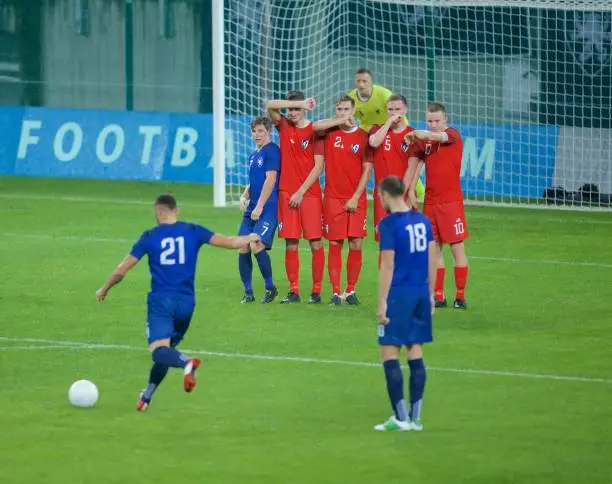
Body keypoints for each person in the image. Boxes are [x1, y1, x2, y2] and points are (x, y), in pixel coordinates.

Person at [95, 194, 259, 411]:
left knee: (158, 350)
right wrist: (250, 237)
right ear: (176, 211)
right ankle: (146, 397)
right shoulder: (192, 230)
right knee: (166, 350)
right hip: (186, 304)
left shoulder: (150, 236)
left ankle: (187, 363)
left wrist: (104, 289)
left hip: (161, 303)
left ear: (157, 212)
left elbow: (122, 270)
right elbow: (229, 241)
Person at [267, 91, 353, 303]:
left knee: (315, 242)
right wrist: (298, 102)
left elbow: (319, 166)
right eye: (291, 109)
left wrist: (301, 191)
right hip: (287, 193)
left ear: (305, 109)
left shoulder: (316, 131)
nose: (293, 112)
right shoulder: (284, 126)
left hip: (310, 194)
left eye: (297, 109)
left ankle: (316, 291)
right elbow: (270, 104)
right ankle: (294, 290)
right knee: (291, 243)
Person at [375, 176, 436, 432]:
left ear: (387, 195)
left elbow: (387, 265)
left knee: (389, 353)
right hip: (421, 292)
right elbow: (434, 259)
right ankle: (417, 417)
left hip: (399, 295)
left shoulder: (388, 224)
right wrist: (431, 293)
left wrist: (381, 301)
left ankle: (401, 418)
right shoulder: (424, 221)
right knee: (415, 351)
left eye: (380, 197)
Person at [405, 102, 469, 309]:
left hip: (451, 204)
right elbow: (417, 166)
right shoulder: (426, 142)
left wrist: (417, 133)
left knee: (457, 248)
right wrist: (412, 189)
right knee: (434, 250)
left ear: (445, 120)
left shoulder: (452, 135)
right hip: (431, 203)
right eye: (430, 121)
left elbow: (436, 136)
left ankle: (460, 296)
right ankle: (438, 295)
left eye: (437, 121)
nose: (433, 125)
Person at [321, 95, 372, 305]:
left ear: (353, 111)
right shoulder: (329, 133)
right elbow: (314, 127)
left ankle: (350, 290)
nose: (342, 113)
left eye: (346, 109)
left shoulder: (364, 136)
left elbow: (367, 170)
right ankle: (335, 292)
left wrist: (355, 197)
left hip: (356, 199)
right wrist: (337, 122)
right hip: (333, 198)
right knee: (334, 243)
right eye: (339, 109)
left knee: (356, 243)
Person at [348, 68, 425, 200]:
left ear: (371, 82)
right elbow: (347, 115)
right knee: (352, 156)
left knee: (405, 163)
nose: (361, 84)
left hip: (390, 129)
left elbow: (398, 113)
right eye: (358, 81)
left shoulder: (383, 94)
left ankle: (420, 193)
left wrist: (404, 132)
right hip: (371, 133)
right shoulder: (352, 97)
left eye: (364, 81)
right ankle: (351, 190)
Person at [238, 116, 280, 304]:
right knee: (242, 246)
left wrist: (261, 205)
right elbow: (254, 180)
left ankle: (270, 287)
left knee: (256, 244)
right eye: (254, 131)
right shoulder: (254, 155)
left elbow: (270, 180)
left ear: (269, 131)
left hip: (267, 208)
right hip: (253, 207)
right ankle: (248, 292)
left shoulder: (272, 151)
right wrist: (245, 195)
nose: (256, 135)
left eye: (261, 131)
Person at [368, 94, 414, 241]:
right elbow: (374, 143)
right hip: (383, 197)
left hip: (403, 195)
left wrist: (406, 193)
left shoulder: (412, 134)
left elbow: (413, 169)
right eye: (390, 109)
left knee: (405, 240)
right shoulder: (377, 129)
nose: (394, 113)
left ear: (405, 109)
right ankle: (385, 266)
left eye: (398, 109)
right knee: (385, 241)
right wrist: (388, 123)